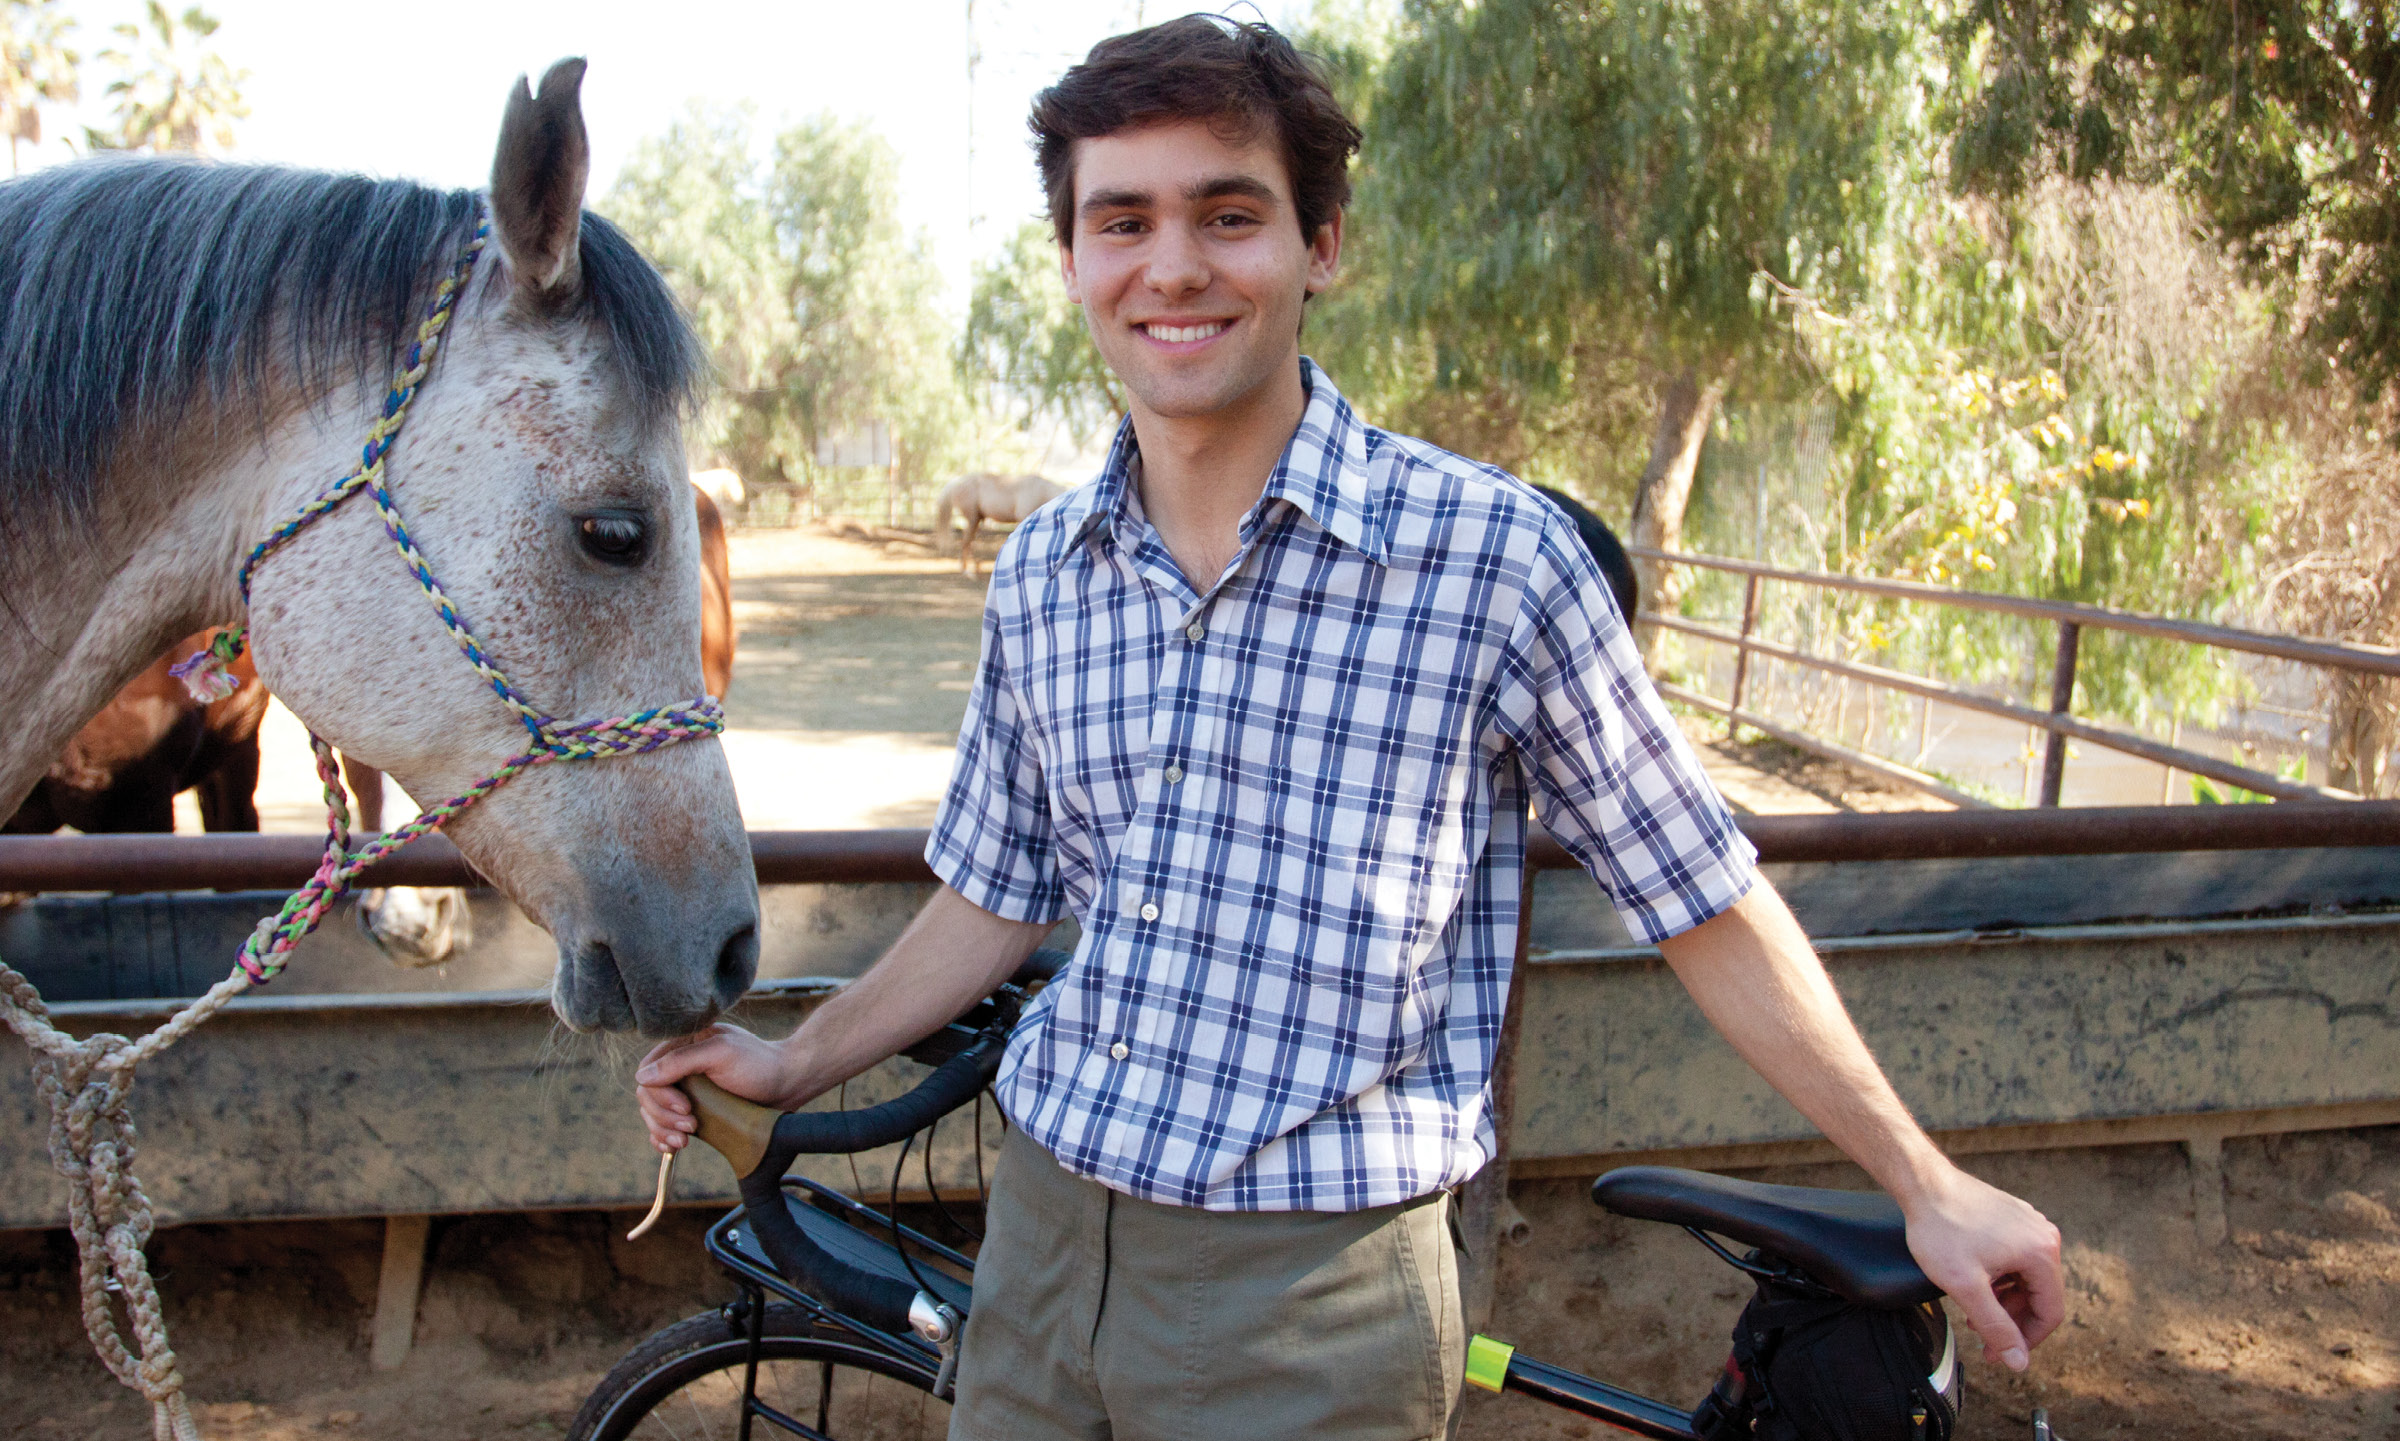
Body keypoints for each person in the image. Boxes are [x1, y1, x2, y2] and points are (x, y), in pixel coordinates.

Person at [636, 16, 2064, 1439]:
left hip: (1312, 1306)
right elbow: (993, 894)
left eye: (1228, 214)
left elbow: (1702, 897)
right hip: (1041, 1254)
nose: (1172, 266)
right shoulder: (1043, 573)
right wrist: (791, 1062)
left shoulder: (1493, 561)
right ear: (1071, 259)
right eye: (1122, 220)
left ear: (1321, 245)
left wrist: (1924, 1179)